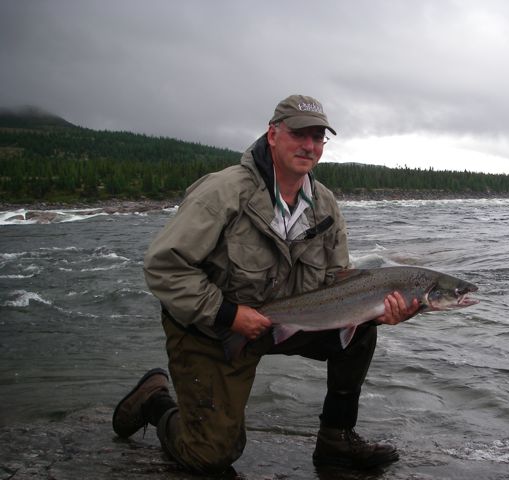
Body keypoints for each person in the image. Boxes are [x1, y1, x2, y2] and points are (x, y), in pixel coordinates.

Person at [112, 94, 420, 474]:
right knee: (211, 456)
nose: (309, 146)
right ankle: (155, 402)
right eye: (299, 134)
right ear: (272, 134)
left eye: (318, 137)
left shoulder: (325, 204)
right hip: (209, 329)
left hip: (281, 321)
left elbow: (337, 284)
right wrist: (228, 314)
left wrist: (377, 311)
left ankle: (336, 440)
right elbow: (164, 267)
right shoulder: (224, 192)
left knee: (359, 333)